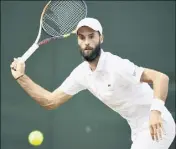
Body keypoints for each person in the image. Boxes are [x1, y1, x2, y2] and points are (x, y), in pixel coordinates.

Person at [10, 18, 175, 149]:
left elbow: (161, 78)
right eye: (81, 37)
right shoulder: (81, 73)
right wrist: (21, 77)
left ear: (101, 38)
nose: (86, 42)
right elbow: (50, 101)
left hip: (158, 126)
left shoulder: (117, 65)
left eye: (91, 36)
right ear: (78, 41)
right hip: (138, 130)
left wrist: (155, 112)